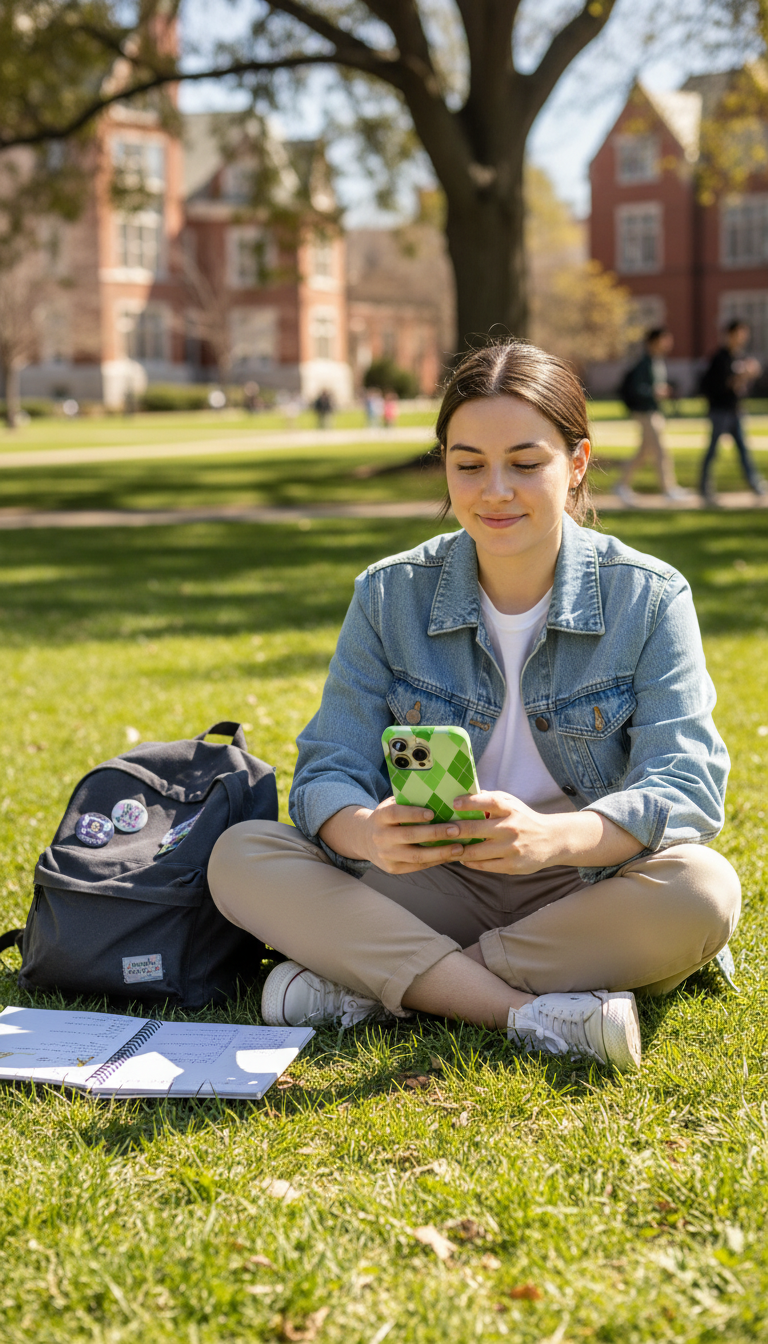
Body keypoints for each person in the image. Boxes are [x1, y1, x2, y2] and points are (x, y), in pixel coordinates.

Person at [209, 341, 741, 1071]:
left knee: (705, 890)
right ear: (445, 467)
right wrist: (368, 834)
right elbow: (328, 768)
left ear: (576, 463)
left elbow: (685, 785)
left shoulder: (648, 596)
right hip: (431, 880)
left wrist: (559, 840)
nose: (495, 490)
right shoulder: (390, 594)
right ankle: (524, 1012)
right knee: (240, 855)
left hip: (587, 886)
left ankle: (375, 985)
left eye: (526, 463)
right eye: (468, 464)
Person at [617, 327, 686, 504]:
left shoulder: (656, 361)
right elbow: (637, 389)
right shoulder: (644, 363)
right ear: (654, 341)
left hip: (653, 412)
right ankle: (668, 488)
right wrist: (653, 392)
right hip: (645, 413)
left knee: (644, 452)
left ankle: (621, 485)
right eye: (664, 339)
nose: (668, 343)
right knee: (661, 451)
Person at [699, 320, 765, 504]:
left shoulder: (739, 356)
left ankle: (754, 483)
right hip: (720, 411)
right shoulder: (720, 358)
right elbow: (720, 385)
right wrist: (742, 375)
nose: (742, 338)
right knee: (713, 450)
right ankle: (704, 486)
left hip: (735, 410)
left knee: (743, 449)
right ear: (729, 335)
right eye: (739, 333)